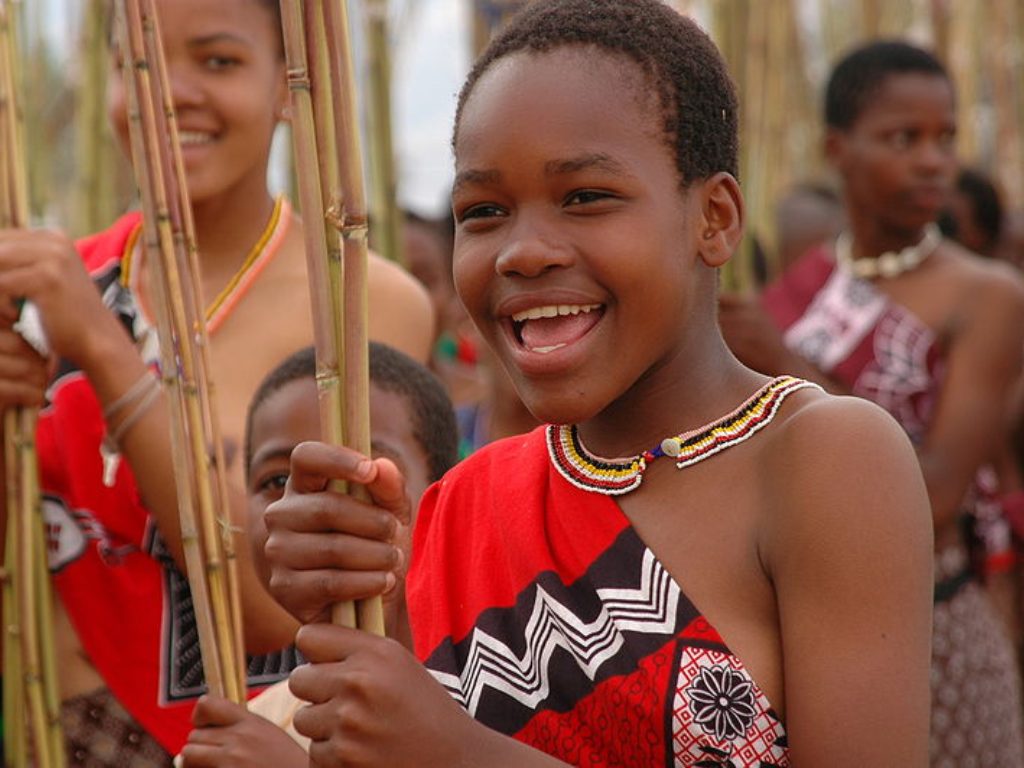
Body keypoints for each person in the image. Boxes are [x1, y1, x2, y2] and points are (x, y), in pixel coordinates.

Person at [260, 2, 933, 766]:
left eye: (585, 197)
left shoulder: (826, 458)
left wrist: (460, 755)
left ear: (713, 218)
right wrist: (345, 601)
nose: (523, 251)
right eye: (482, 212)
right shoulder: (460, 508)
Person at [0, 0, 434, 761]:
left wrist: (105, 352)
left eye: (218, 60)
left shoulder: (359, 302)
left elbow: (290, 606)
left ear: (286, 85)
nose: (171, 93)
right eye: (139, 62)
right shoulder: (43, 292)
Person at [720, 40, 1024, 767]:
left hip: (932, 632)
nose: (932, 161)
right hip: (797, 627)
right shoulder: (806, 280)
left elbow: (940, 491)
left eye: (944, 138)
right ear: (838, 149)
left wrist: (788, 365)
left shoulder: (986, 296)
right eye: (902, 138)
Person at [177, 342, 459, 766]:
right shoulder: (253, 731)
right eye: (276, 480)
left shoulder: (503, 694)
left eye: (363, 478)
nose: (313, 506)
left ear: (446, 494)